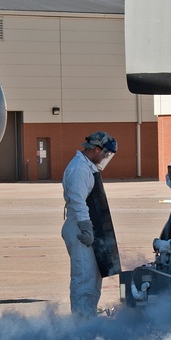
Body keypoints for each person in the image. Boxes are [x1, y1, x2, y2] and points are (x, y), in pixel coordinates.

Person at [61, 131, 121, 317]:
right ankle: (80, 321)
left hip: (88, 227)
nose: (106, 158)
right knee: (83, 277)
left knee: (94, 277)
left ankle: (88, 315)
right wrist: (86, 227)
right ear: (96, 150)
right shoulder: (79, 168)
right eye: (106, 154)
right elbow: (77, 200)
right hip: (79, 228)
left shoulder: (88, 167)